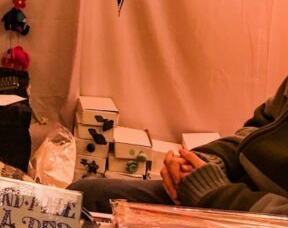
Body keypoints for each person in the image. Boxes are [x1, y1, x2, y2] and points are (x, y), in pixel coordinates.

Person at [69, 77, 288, 216]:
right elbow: (257, 131)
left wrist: (215, 193)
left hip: (253, 220)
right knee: (85, 197)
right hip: (229, 193)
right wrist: (205, 162)